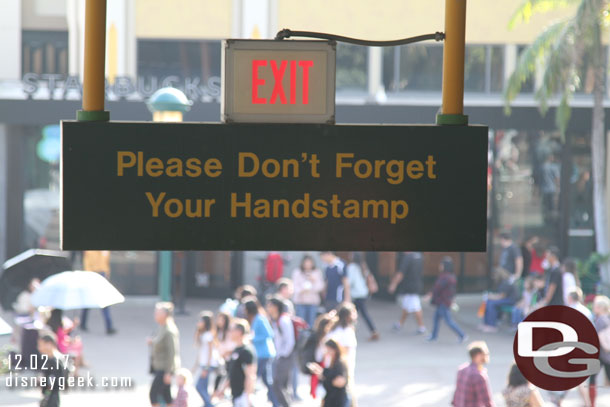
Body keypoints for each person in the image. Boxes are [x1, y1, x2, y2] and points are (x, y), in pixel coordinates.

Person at [244, 298, 278, 407]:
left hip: (263, 354)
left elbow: (269, 334)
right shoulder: (256, 319)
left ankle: (247, 401)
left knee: (252, 378)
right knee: (266, 380)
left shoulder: (260, 319)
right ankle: (276, 402)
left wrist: (253, 339)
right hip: (261, 353)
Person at [214, 318, 256, 407]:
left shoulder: (246, 351)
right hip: (235, 395)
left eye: (231, 330)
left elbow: (250, 375)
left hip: (243, 396)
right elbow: (232, 373)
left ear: (239, 332)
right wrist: (223, 389)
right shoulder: (236, 350)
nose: (229, 333)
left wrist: (247, 396)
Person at [148, 302, 181, 407]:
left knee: (154, 394)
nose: (155, 315)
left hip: (164, 368)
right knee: (166, 396)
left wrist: (168, 372)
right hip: (159, 366)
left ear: (164, 315)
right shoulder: (162, 327)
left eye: (157, 313)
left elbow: (172, 352)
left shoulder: (169, 330)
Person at [426, 257, 466, 343]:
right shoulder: (452, 276)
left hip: (443, 302)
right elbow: (452, 291)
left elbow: (437, 287)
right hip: (445, 301)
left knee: (448, 321)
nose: (440, 266)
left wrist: (430, 294)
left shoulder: (444, 277)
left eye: (441, 265)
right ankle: (434, 336)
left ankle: (462, 335)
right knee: (436, 318)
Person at [267, 297, 296, 407]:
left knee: (277, 384)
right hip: (280, 356)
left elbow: (290, 341)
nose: (268, 308)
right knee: (282, 385)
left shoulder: (284, 320)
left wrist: (283, 355)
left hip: (285, 356)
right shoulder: (275, 320)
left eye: (270, 306)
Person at [388, 251, 426, 334]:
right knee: (406, 306)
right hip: (416, 284)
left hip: (410, 287)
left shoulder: (408, 258)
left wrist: (393, 284)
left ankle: (421, 327)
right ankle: (400, 324)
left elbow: (401, 273)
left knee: (416, 308)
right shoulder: (419, 256)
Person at [80, 250, 116, 335]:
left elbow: (106, 263)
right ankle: (83, 323)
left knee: (104, 302)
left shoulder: (105, 251)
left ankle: (109, 326)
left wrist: (107, 274)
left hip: (102, 274)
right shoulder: (90, 251)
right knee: (88, 301)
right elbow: (87, 264)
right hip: (92, 274)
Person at [329, 302, 357, 405]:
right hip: (343, 366)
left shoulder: (334, 329)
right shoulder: (346, 331)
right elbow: (345, 350)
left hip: (336, 365)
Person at [346, 252, 379, 341]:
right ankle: (373, 331)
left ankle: (349, 333)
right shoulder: (363, 266)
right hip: (363, 293)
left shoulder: (351, 267)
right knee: (362, 314)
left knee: (351, 315)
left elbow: (349, 282)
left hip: (356, 295)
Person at [307, 339, 348, 407]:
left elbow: (340, 382)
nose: (327, 352)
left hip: (337, 399)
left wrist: (325, 377)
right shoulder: (330, 361)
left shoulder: (339, 363)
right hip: (330, 398)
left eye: (328, 350)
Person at [452, 341, 494, 407]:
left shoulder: (461, 369)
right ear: (479, 355)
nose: (487, 356)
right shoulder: (479, 376)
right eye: (485, 353)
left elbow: (457, 393)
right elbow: (487, 401)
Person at [194, 311, 220, 407]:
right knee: (204, 387)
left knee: (199, 386)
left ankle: (209, 404)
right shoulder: (203, 334)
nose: (199, 322)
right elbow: (201, 352)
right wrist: (195, 367)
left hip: (208, 364)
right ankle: (207, 403)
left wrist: (206, 368)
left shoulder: (208, 335)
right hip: (204, 364)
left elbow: (210, 353)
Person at [292, 255, 325, 328]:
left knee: (311, 324)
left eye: (309, 263)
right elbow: (295, 286)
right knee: (300, 323)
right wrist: (302, 290)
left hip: (312, 302)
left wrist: (313, 281)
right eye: (306, 263)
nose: (308, 265)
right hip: (301, 302)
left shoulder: (317, 272)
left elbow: (320, 286)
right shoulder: (297, 272)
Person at [590, 295, 610, 407]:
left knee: (593, 380)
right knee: (592, 379)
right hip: (603, 355)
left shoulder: (601, 320)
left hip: (603, 355)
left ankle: (592, 404)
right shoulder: (605, 318)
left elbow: (603, 340)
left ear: (600, 307)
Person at [309, 313, 335, 399]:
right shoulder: (327, 338)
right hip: (325, 367)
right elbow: (320, 356)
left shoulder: (319, 337)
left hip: (322, 367)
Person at [37, 332, 66, 407]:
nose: (39, 348)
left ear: (49, 344)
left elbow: (52, 382)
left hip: (52, 397)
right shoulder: (48, 359)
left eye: (41, 345)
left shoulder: (55, 361)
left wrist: (46, 397)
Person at [213, 312, 234, 397]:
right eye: (219, 319)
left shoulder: (229, 331)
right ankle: (216, 392)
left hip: (229, 357)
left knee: (230, 376)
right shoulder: (218, 331)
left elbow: (233, 345)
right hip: (222, 358)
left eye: (222, 320)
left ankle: (222, 392)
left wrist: (226, 353)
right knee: (220, 375)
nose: (220, 322)